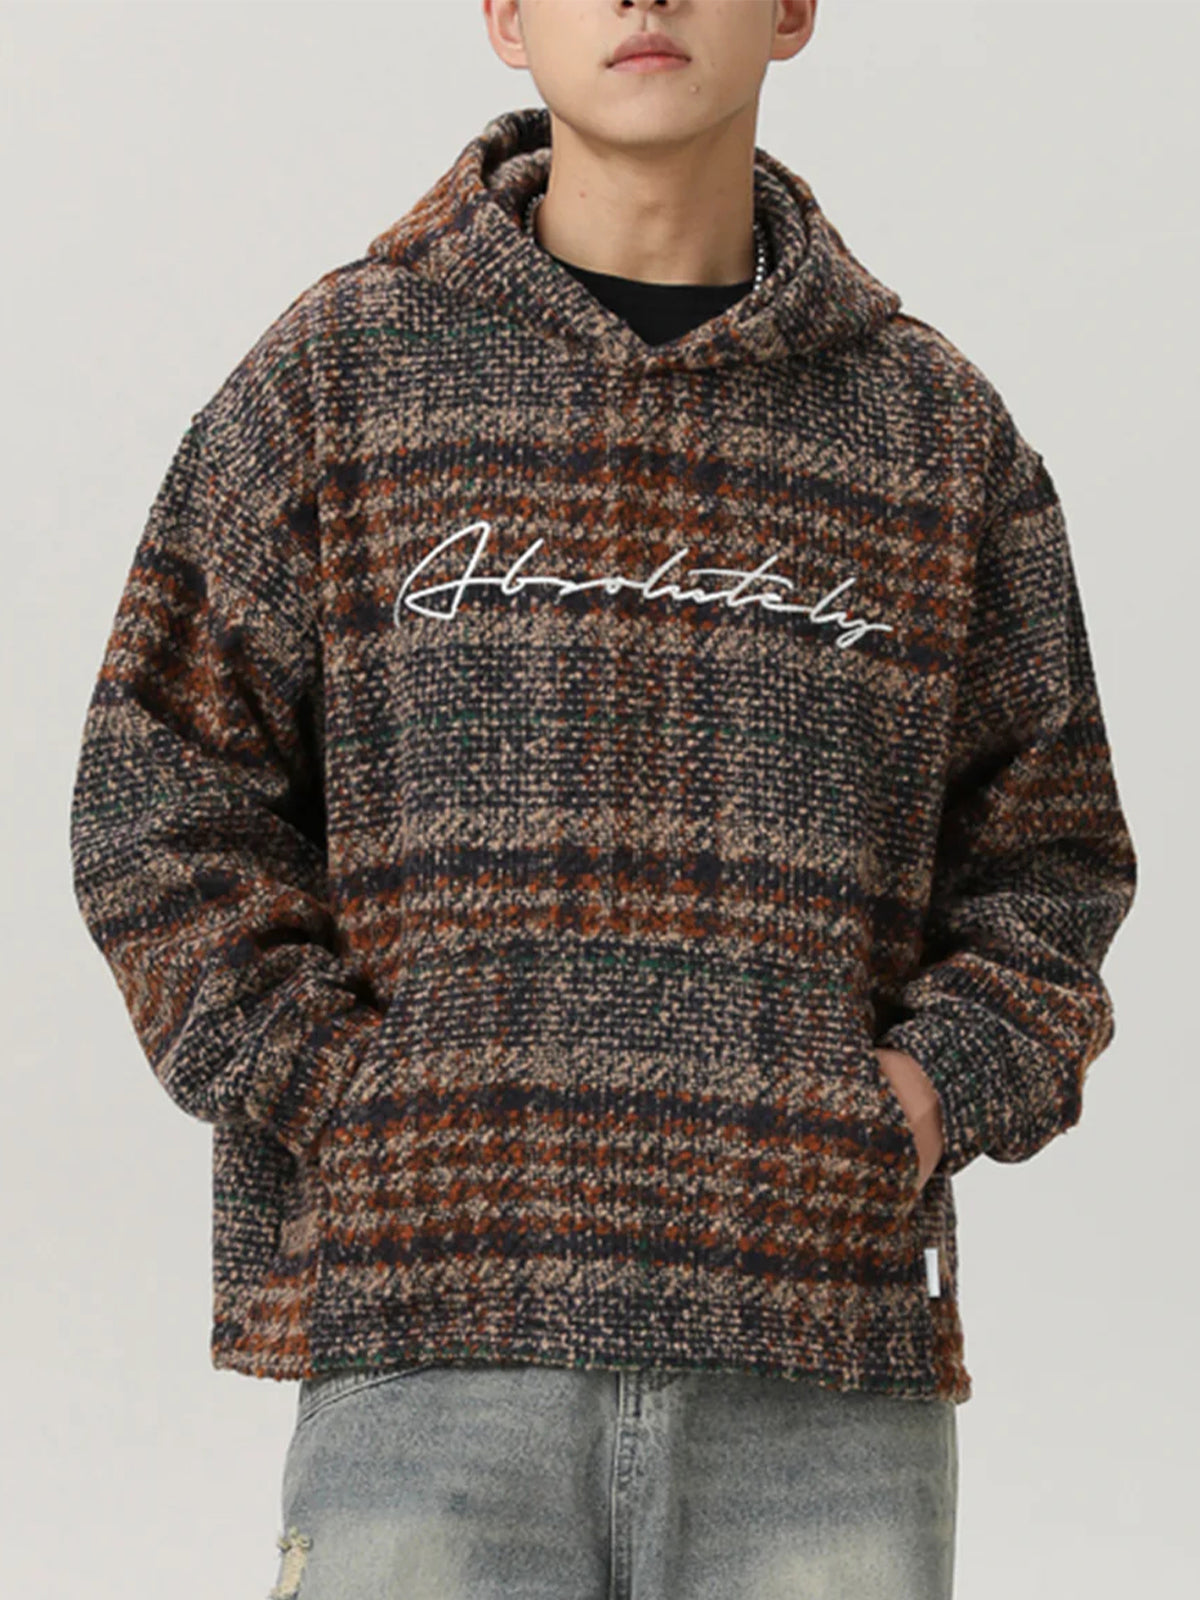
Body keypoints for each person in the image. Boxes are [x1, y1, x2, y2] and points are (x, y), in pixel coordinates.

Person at [68, 2, 1138, 1596]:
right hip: (430, 1337)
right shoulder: (337, 377)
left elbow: (1050, 856)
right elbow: (158, 798)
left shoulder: (934, 429)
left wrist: (927, 1090)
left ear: (792, 10)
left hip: (819, 1357)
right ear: (505, 15)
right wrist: (352, 1098)